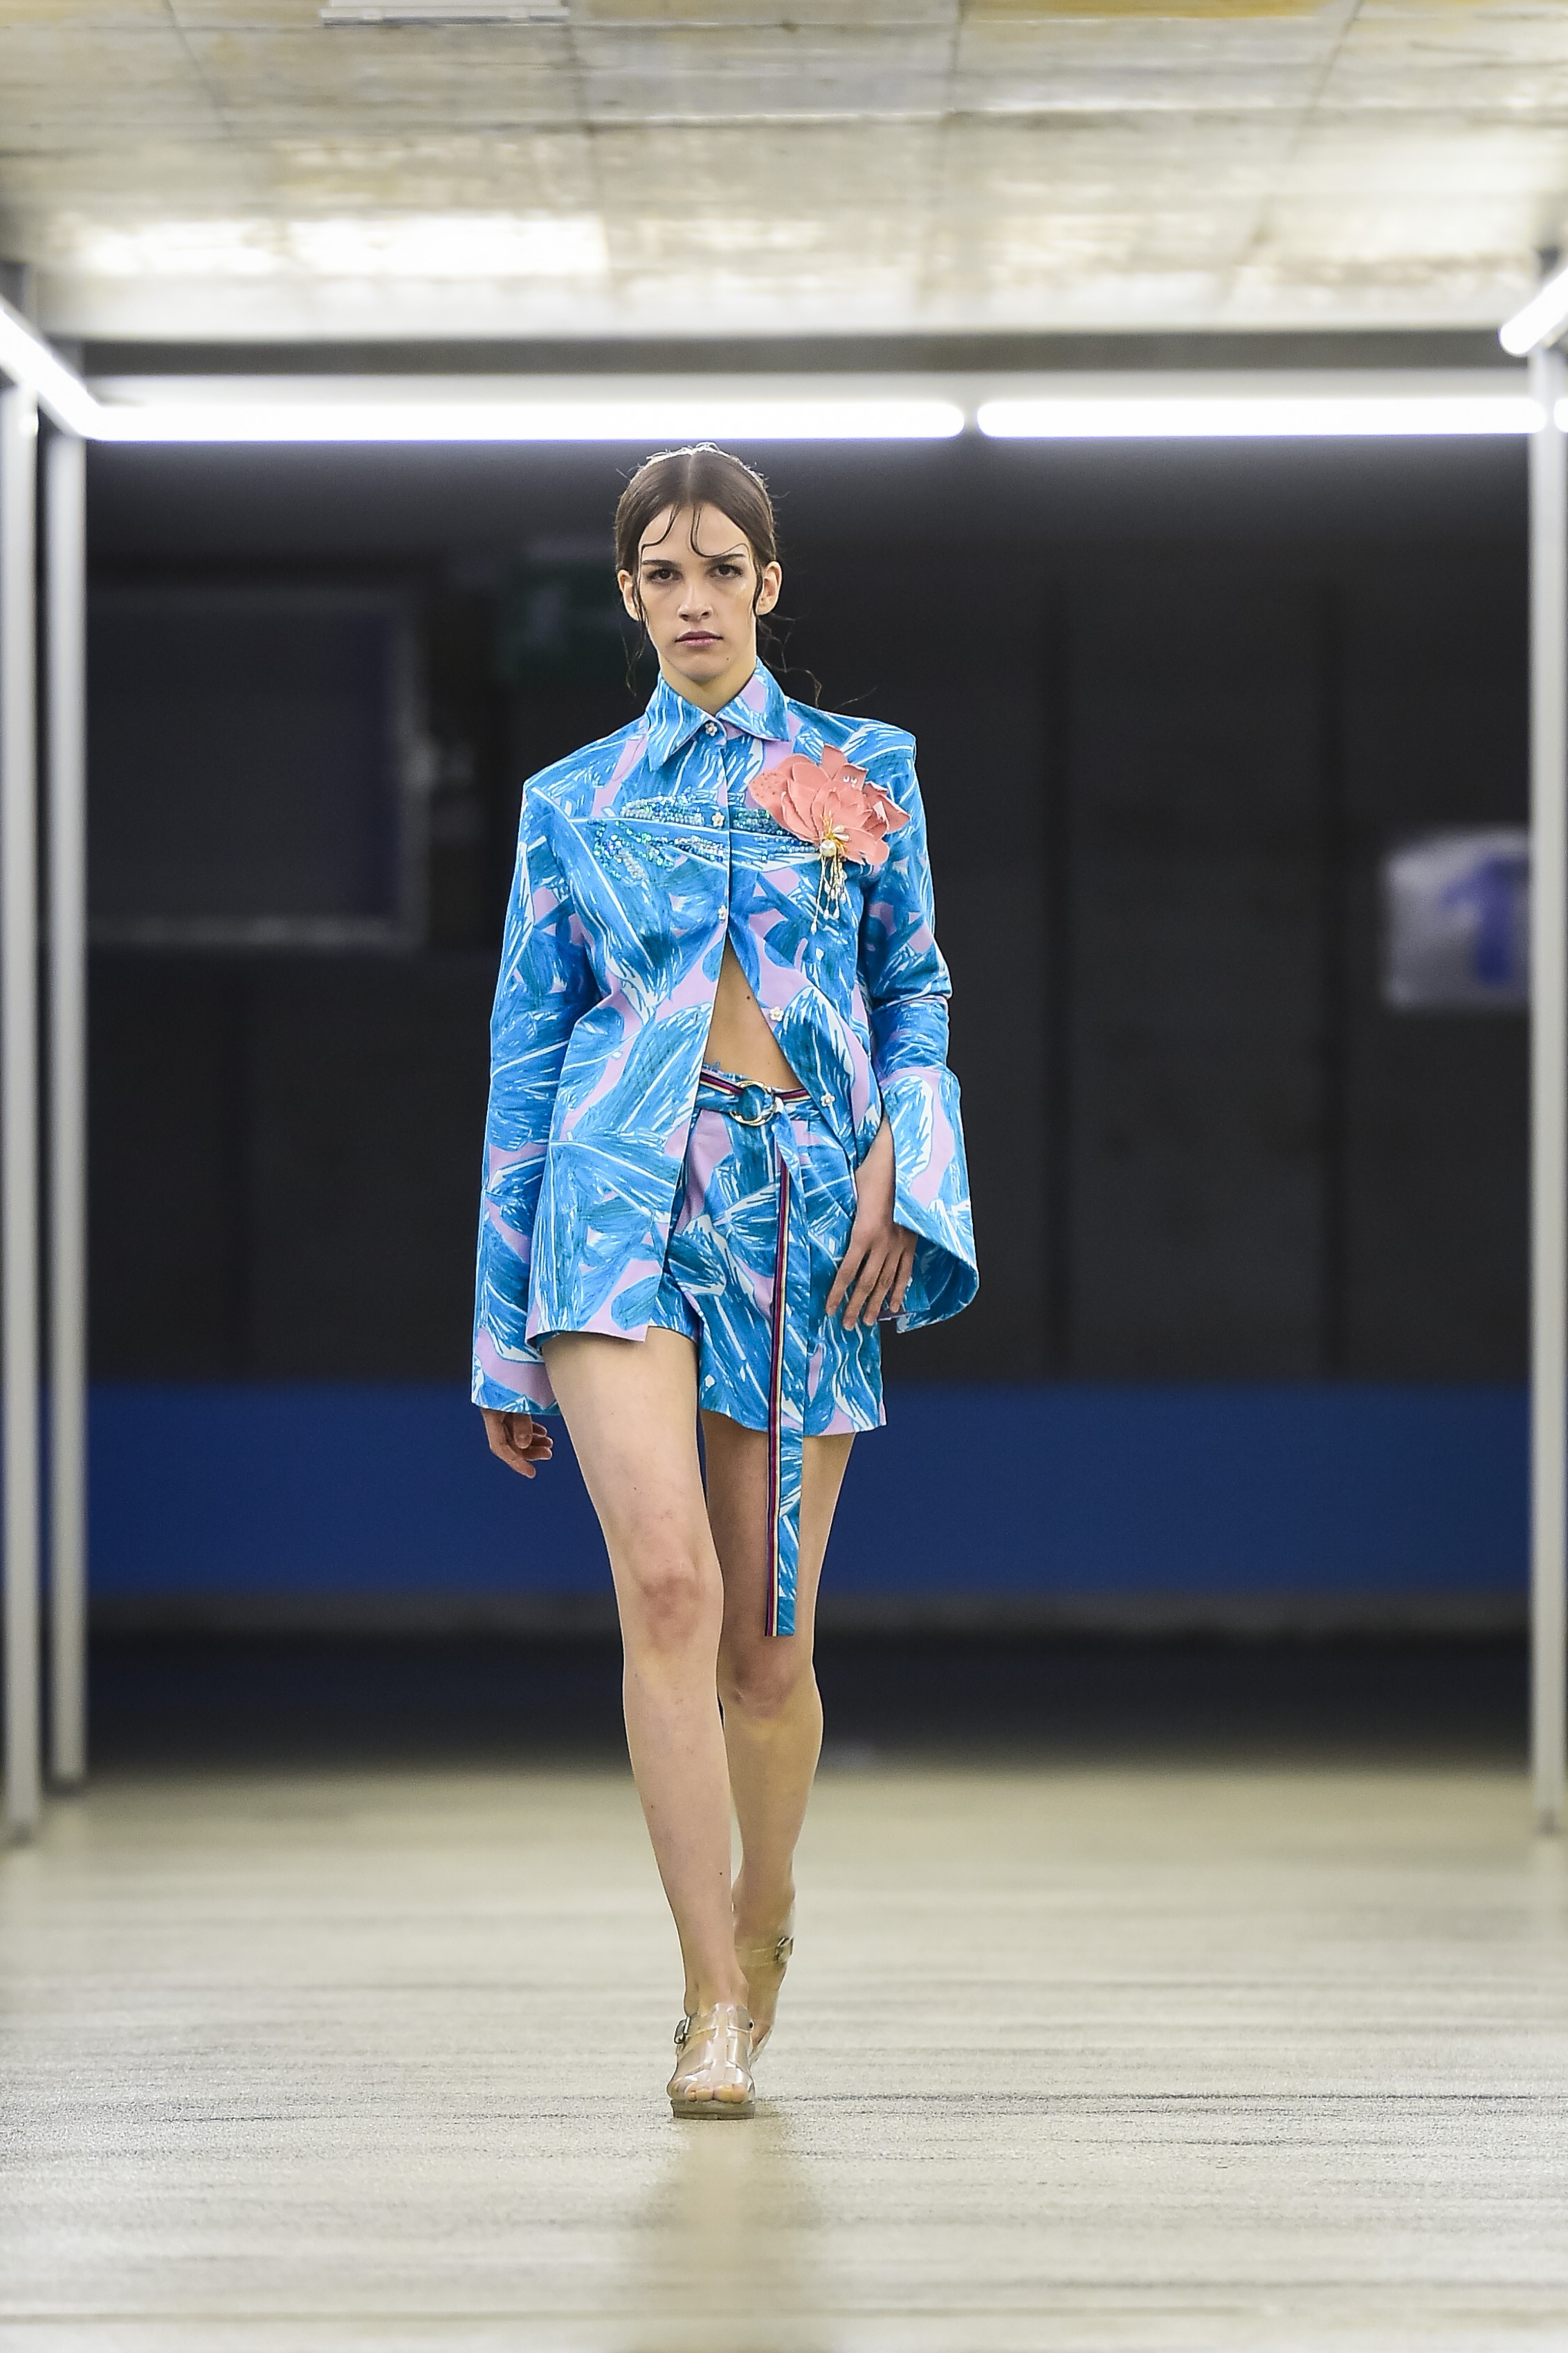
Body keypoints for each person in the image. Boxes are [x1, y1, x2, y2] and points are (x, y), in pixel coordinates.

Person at [473, 444, 976, 2118]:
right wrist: (498, 1341)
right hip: (609, 1206)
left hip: (803, 1211)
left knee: (766, 1647)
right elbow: (525, 1059)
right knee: (672, 1593)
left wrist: (908, 1149)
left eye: (718, 568)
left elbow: (911, 988)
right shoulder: (572, 800)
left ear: (767, 582)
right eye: (659, 573)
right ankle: (704, 1994)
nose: (690, 599)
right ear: (627, 596)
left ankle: (766, 1905)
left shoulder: (856, 769)